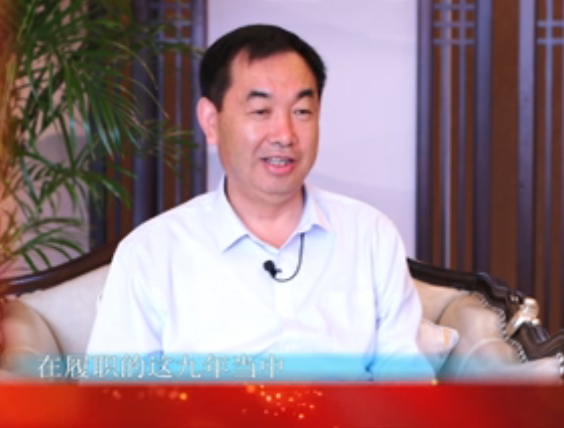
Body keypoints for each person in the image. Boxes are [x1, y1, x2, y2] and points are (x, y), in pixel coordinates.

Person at [86, 24, 434, 382]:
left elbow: (407, 379)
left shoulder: (369, 235)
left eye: (302, 111)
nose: (284, 135)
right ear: (211, 121)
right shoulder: (151, 253)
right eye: (261, 111)